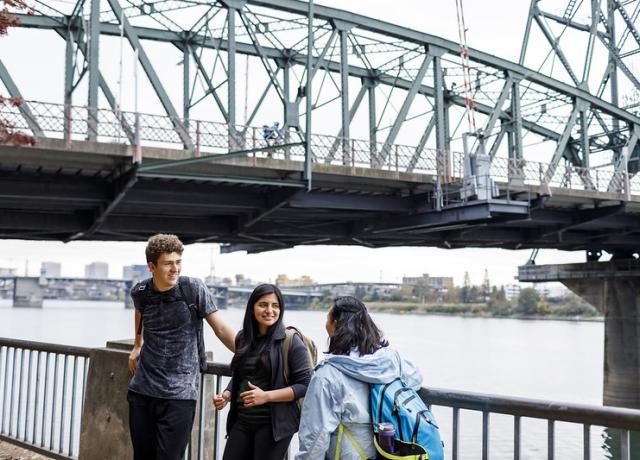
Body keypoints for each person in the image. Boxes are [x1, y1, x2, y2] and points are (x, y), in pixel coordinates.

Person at [127, 233, 236, 460]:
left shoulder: (193, 289)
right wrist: (138, 344)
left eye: (178, 262)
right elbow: (140, 313)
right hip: (142, 392)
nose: (175, 268)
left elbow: (221, 329)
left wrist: (252, 352)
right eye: (168, 263)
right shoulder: (141, 292)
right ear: (151, 266)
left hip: (179, 394)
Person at [295, 296, 422, 460]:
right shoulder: (389, 360)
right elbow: (416, 379)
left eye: (328, 319)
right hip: (387, 451)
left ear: (335, 326)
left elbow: (315, 436)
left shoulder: (327, 375)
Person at [213, 283, 311, 460]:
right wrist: (227, 393)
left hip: (272, 426)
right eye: (263, 304)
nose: (269, 310)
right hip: (242, 421)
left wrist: (266, 396)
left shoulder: (291, 341)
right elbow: (240, 373)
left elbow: (304, 385)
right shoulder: (243, 337)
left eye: (275, 305)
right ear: (252, 308)